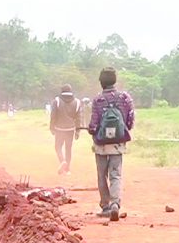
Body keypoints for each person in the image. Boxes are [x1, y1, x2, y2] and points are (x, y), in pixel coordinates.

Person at [87, 67, 136, 222]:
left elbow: (93, 124)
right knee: (115, 174)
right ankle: (115, 204)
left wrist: (92, 131)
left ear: (101, 82)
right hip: (117, 143)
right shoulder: (125, 97)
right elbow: (130, 120)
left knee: (102, 175)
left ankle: (105, 206)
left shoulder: (98, 100)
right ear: (115, 81)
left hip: (101, 143)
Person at [49, 84, 82, 174]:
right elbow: (78, 118)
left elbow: (53, 115)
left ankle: (62, 161)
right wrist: (78, 131)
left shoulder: (57, 101)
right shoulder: (77, 102)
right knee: (68, 149)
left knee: (58, 147)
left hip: (59, 129)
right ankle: (67, 170)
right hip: (70, 129)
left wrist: (51, 127)